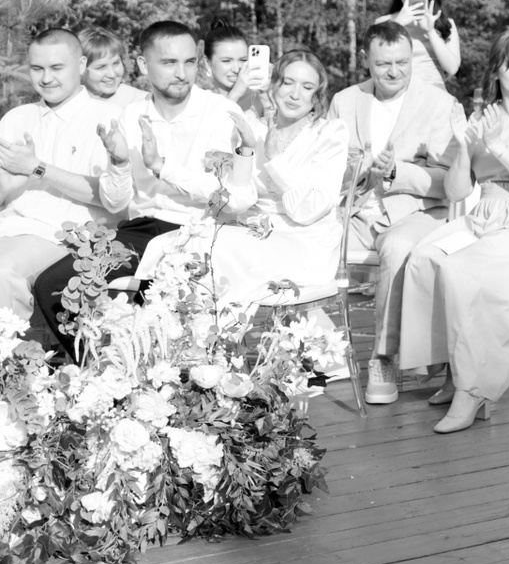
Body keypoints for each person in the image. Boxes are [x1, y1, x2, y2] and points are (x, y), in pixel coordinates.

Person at [398, 30, 509, 433]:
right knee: (425, 258)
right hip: (487, 215)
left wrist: (497, 146)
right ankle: (452, 369)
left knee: (462, 271)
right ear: (497, 70)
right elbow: (456, 192)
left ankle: (473, 389)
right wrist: (464, 150)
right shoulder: (483, 116)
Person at [31, 21, 255, 337]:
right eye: (169, 62)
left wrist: (162, 167)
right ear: (143, 64)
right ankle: (104, 366)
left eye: (189, 62)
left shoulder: (222, 113)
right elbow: (115, 202)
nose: (182, 73)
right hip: (140, 232)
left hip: (201, 232)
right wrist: (120, 163)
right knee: (53, 285)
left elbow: (230, 200)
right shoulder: (131, 115)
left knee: (166, 312)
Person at [141, 51, 349, 306]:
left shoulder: (329, 133)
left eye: (307, 87)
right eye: (287, 82)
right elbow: (235, 200)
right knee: (177, 243)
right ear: (274, 85)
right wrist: (162, 166)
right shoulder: (254, 129)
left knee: (210, 249)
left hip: (307, 247)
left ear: (317, 95)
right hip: (256, 238)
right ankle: (178, 324)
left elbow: (308, 210)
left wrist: (276, 160)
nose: (295, 94)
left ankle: (207, 326)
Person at [330, 20, 463, 404]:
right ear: (366, 60)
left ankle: (383, 357)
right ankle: (313, 349)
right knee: (300, 237)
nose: (394, 72)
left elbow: (449, 181)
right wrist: (357, 171)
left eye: (402, 63)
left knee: (397, 248)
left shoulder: (440, 104)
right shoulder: (345, 100)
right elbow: (326, 166)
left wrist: (395, 172)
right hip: (355, 212)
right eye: (383, 63)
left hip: (415, 212)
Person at [0, 28, 129, 352]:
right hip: (9, 226)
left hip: (64, 237)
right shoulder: (18, 118)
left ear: (81, 65)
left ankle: (9, 365)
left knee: (2, 270)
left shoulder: (108, 119)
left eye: (57, 68)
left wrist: (37, 169)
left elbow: (113, 200)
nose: (46, 78)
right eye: (37, 68)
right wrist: (10, 184)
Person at [374, 0, 462, 90]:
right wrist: (397, 25)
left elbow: (452, 68)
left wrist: (430, 31)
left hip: (433, 95)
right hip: (395, 95)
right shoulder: (383, 22)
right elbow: (374, 60)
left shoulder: (445, 24)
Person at [199, 18, 269, 123]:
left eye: (243, 60)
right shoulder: (199, 103)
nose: (236, 69)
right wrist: (235, 93)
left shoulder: (258, 100)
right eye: (227, 61)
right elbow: (209, 129)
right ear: (207, 63)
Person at [78, 26, 142, 110]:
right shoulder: (68, 105)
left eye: (116, 63)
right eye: (101, 67)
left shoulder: (141, 102)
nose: (112, 74)